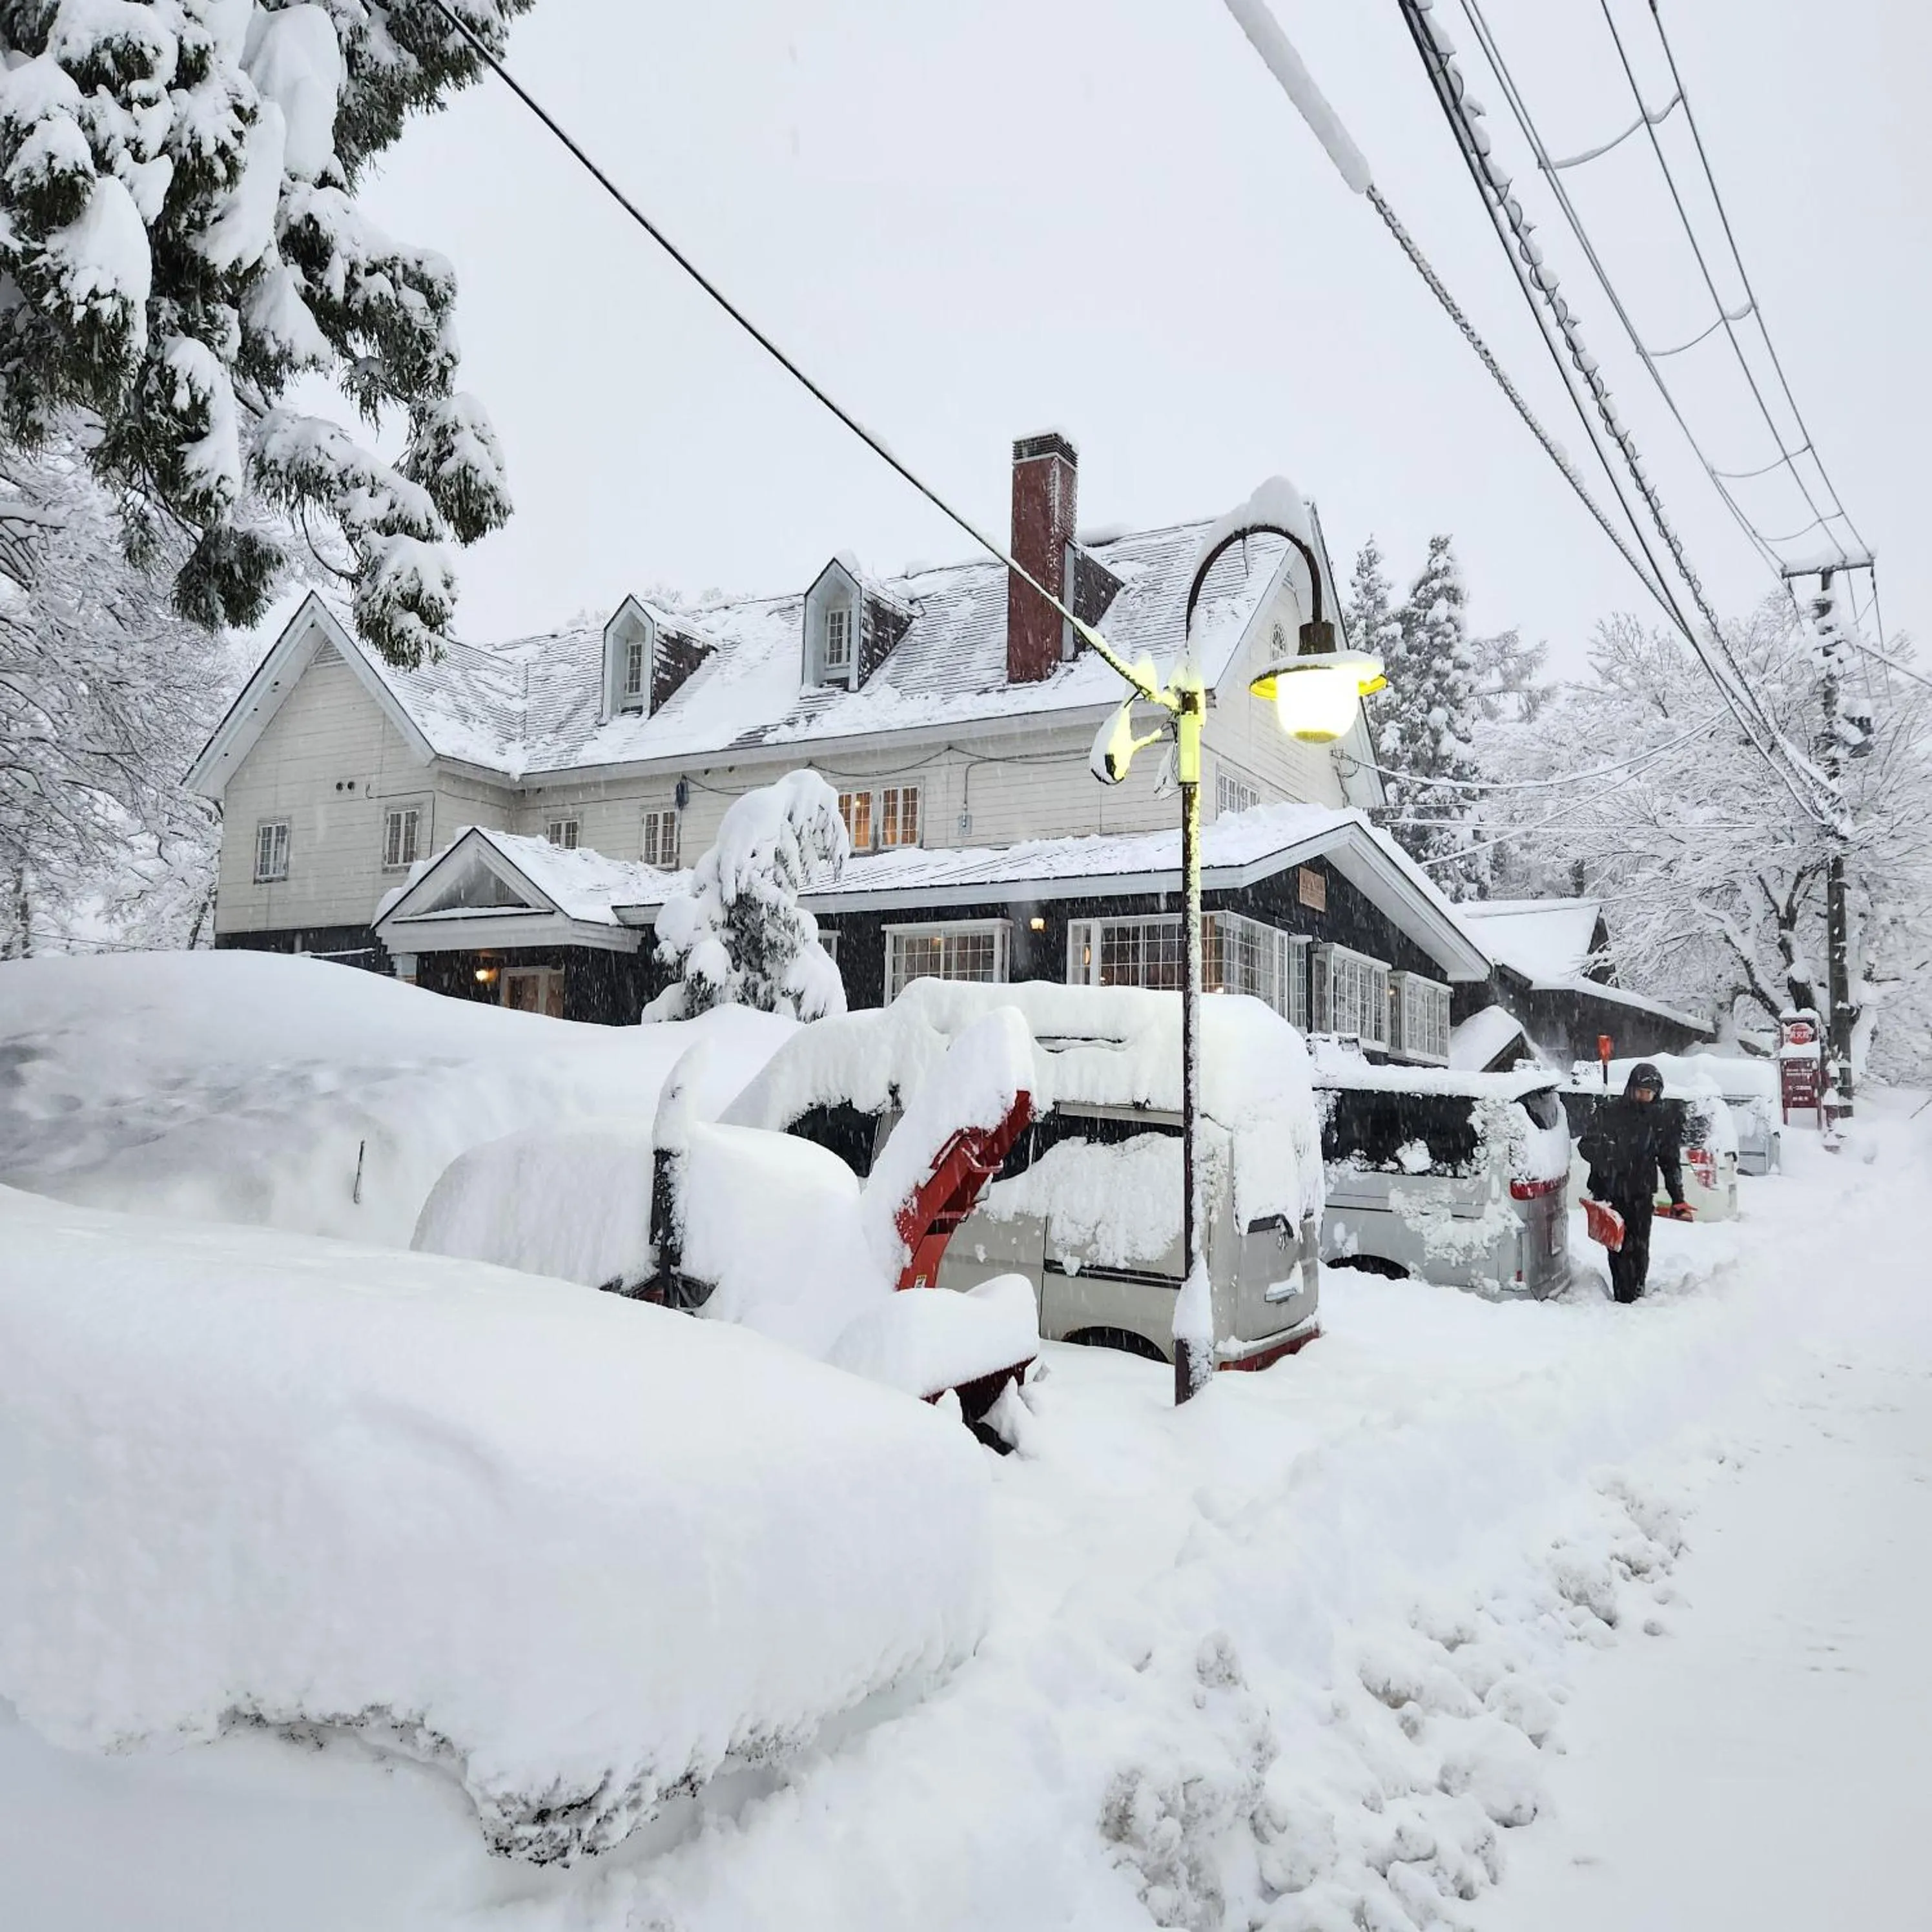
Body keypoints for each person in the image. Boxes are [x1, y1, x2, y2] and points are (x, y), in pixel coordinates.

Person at [1578, 1061, 1691, 1303]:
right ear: (1631, 1089)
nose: (1645, 1097)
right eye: (1640, 1092)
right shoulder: (1610, 1112)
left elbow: (1669, 1161)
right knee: (1617, 1247)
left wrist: (1678, 1198)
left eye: (1650, 1094)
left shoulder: (1660, 1119)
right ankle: (1622, 1294)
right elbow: (1585, 1145)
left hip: (1641, 1195)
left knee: (1639, 1248)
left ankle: (1636, 1293)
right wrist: (1607, 1153)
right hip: (1612, 1193)